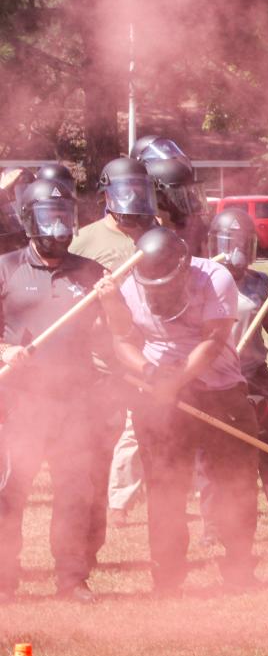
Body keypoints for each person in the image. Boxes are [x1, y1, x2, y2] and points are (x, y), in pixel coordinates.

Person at [0, 180, 132, 602]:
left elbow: (122, 331)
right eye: (47, 219)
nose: (57, 229)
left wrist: (111, 302)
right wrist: (3, 350)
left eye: (63, 219)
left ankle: (72, 580)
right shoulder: (5, 268)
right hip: (19, 404)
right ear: (27, 220)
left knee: (75, 493)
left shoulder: (92, 273)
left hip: (75, 403)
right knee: (8, 492)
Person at [113, 226, 260, 594]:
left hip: (219, 392)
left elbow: (213, 340)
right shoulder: (128, 281)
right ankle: (167, 576)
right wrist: (150, 373)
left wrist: (175, 381)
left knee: (235, 483)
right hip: (159, 393)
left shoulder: (215, 277)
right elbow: (120, 339)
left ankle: (239, 569)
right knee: (165, 487)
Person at [74, 158, 161, 544]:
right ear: (106, 195)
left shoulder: (157, 233)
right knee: (95, 456)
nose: (133, 200)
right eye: (125, 191)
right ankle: (90, 541)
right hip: (103, 368)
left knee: (157, 447)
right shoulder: (87, 240)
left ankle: (161, 534)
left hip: (150, 361)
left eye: (140, 191)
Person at [203, 209, 268, 540]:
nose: (237, 254)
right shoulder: (200, 279)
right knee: (215, 453)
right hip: (213, 378)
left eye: (244, 245)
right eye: (231, 244)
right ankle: (214, 526)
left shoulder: (260, 282)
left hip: (253, 375)